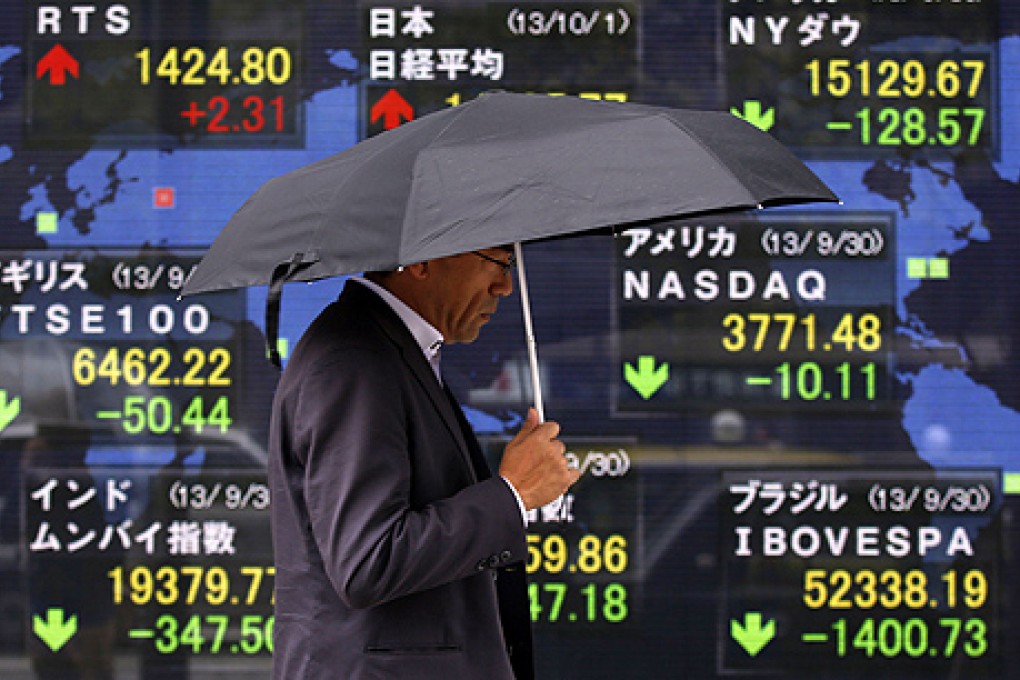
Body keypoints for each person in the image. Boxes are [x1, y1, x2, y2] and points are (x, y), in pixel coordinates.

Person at [268, 245, 581, 679]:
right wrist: (513, 494)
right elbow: (368, 561)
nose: (505, 286)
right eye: (497, 262)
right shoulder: (354, 359)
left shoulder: (385, 348)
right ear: (422, 259)